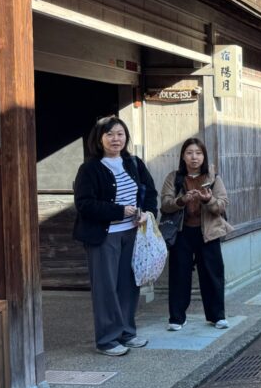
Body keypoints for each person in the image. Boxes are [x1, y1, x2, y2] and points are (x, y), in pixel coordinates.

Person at [72, 116, 158, 356]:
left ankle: (127, 333)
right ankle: (107, 339)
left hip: (131, 233)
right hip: (104, 236)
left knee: (129, 285)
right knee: (105, 287)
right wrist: (118, 211)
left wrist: (148, 213)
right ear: (99, 139)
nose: (116, 139)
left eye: (120, 133)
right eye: (109, 134)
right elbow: (84, 204)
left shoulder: (133, 163)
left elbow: (150, 192)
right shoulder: (90, 168)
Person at [160, 138, 232, 331]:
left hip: (208, 232)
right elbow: (165, 204)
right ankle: (177, 317)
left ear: (204, 156)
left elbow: (222, 203)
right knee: (178, 275)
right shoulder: (174, 177)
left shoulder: (213, 178)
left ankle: (217, 316)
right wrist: (181, 200)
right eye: (190, 153)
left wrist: (208, 200)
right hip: (182, 233)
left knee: (212, 274)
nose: (194, 157)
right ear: (183, 156)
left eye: (198, 153)